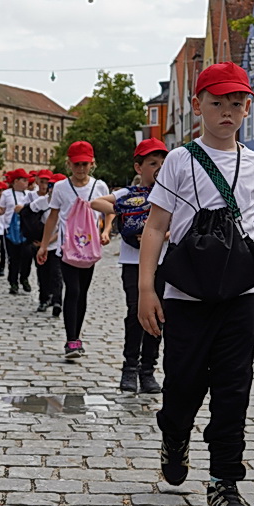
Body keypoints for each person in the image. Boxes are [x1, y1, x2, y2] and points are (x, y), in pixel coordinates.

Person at [137, 62, 254, 506]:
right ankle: (174, 434)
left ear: (248, 106)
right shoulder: (181, 160)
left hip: (239, 294)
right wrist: (147, 287)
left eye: (236, 102)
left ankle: (225, 480)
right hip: (186, 294)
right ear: (198, 105)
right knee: (182, 384)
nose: (227, 111)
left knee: (233, 389)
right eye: (217, 102)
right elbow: (156, 226)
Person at [94, 138, 167, 393]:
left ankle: (149, 370)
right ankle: (130, 368)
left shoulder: (170, 193)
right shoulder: (130, 193)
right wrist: (129, 212)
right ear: (139, 168)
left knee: (160, 315)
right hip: (133, 261)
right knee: (136, 312)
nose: (159, 167)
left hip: (162, 260)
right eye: (153, 163)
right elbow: (96, 202)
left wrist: (165, 231)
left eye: (163, 162)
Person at [38, 140, 109, 359]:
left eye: (85, 164)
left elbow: (110, 211)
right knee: (73, 290)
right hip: (66, 249)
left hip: (89, 249)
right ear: (69, 164)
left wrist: (106, 230)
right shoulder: (60, 187)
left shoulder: (100, 186)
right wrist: (43, 245)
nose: (80, 169)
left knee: (83, 293)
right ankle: (71, 340)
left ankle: (77, 335)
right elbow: (53, 217)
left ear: (92, 164)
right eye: (76, 164)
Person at [0, 168, 35, 297]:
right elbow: (1, 211)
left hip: (26, 230)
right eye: (24, 180)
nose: (27, 182)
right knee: (13, 258)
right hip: (10, 230)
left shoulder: (30, 194)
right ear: (16, 181)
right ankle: (13, 282)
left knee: (27, 256)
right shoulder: (7, 194)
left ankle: (24, 277)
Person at [31, 172, 65, 316]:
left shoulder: (67, 202)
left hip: (58, 245)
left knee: (57, 274)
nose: (51, 189)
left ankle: (57, 301)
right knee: (43, 274)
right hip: (40, 245)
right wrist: (33, 235)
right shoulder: (41, 202)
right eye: (50, 186)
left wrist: (49, 240)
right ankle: (43, 299)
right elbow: (27, 213)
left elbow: (65, 227)